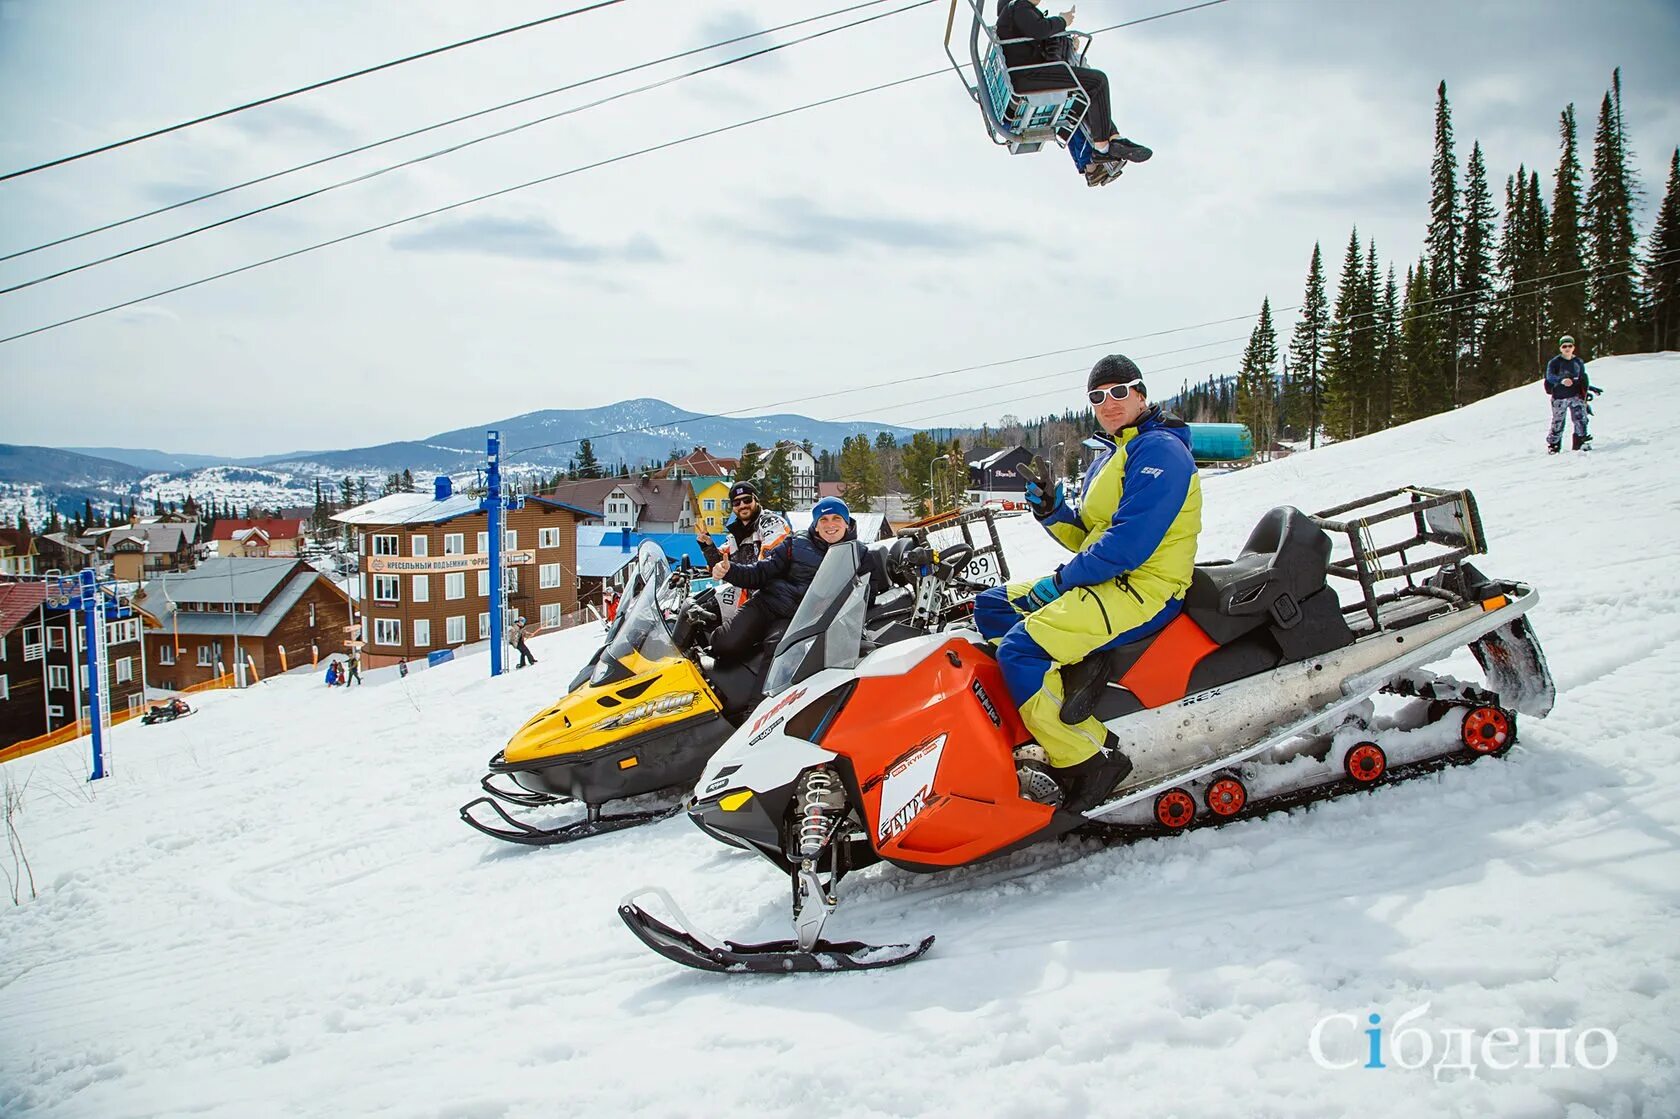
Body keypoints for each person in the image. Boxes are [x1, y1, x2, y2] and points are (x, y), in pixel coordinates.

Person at [973, 354, 1203, 813]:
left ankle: (1089, 757)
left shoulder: (1159, 451)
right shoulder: (1118, 451)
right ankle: (1056, 694)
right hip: (1109, 579)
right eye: (1098, 396)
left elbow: (1128, 545)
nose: (1109, 402)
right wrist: (1051, 512)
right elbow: (1090, 537)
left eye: (1119, 391)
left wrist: (1060, 584)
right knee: (992, 606)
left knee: (1020, 649)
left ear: (1141, 393)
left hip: (1144, 588)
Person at [709, 496, 871, 664]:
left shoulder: (860, 554)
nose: (830, 524)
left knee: (781, 657)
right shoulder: (795, 543)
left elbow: (868, 594)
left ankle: (763, 691)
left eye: (837, 518)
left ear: (847, 522)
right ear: (816, 526)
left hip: (803, 619)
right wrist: (730, 571)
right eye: (823, 519)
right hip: (769, 604)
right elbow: (761, 571)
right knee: (724, 644)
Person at [994, 1, 1152, 170]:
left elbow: (1039, 39)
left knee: (1082, 97)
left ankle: (1114, 139)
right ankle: (1101, 149)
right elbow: (1040, 30)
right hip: (1031, 76)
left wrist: (1066, 42)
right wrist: (1062, 21)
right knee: (1097, 81)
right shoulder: (1018, 7)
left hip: (1033, 74)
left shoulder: (1018, 13)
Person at [696, 480, 791, 623]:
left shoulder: (771, 523)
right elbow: (720, 564)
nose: (742, 505)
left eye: (747, 500)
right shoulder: (736, 535)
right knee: (700, 614)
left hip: (772, 600)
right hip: (746, 597)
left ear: (756, 500)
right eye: (736, 503)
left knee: (726, 641)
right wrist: (708, 546)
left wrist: (733, 572)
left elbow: (767, 567)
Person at [1544, 335, 1592, 453]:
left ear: (1573, 347)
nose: (1567, 348)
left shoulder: (1578, 362)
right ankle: (1554, 445)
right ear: (1560, 348)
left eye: (1569, 346)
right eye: (1564, 346)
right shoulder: (1554, 362)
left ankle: (1580, 442)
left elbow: (1581, 378)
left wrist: (1589, 389)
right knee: (1558, 421)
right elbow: (1549, 377)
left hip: (1575, 396)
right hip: (1559, 397)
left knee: (1581, 419)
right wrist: (1561, 380)